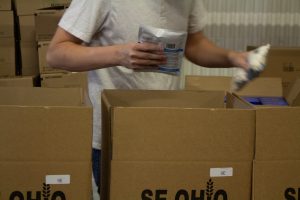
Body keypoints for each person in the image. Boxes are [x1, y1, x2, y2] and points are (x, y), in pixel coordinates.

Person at [47, 0, 250, 195]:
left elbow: (194, 44)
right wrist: (119, 54)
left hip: (168, 129)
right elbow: (56, 53)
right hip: (116, 135)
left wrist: (232, 57)